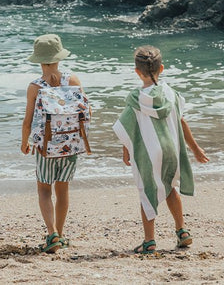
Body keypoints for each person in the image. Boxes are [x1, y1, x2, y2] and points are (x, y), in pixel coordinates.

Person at [112, 45, 209, 255]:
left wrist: (126, 150)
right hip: (171, 149)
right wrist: (195, 148)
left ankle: (149, 241)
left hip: (150, 152)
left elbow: (127, 128)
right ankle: (182, 231)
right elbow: (182, 122)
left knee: (147, 192)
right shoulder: (171, 94)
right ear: (161, 68)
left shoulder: (135, 99)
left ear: (137, 72)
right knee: (170, 187)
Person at [20, 34, 89, 253]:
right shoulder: (74, 80)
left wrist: (25, 141)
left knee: (43, 190)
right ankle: (60, 233)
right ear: (59, 57)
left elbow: (28, 120)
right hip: (70, 145)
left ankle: (52, 234)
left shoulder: (35, 86)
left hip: (45, 147)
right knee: (63, 190)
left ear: (39, 60)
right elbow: (86, 112)